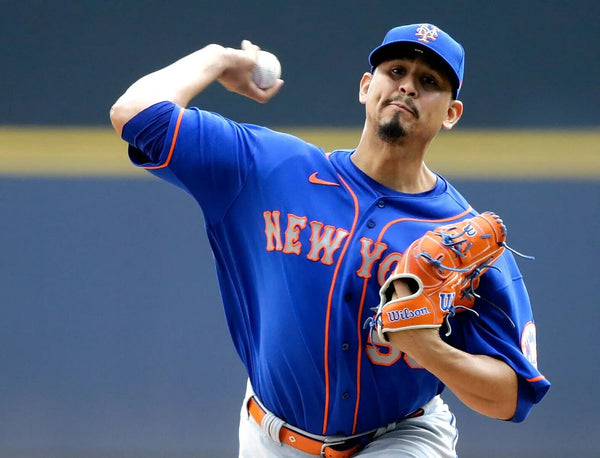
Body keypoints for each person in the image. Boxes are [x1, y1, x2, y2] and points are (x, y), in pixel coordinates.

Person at [110, 23, 550, 457]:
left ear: (451, 113)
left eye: (429, 81)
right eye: (395, 71)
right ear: (366, 87)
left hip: (400, 438)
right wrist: (218, 58)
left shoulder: (463, 237)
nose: (407, 87)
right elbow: (133, 112)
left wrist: (427, 348)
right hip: (269, 436)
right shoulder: (269, 169)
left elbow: (511, 398)